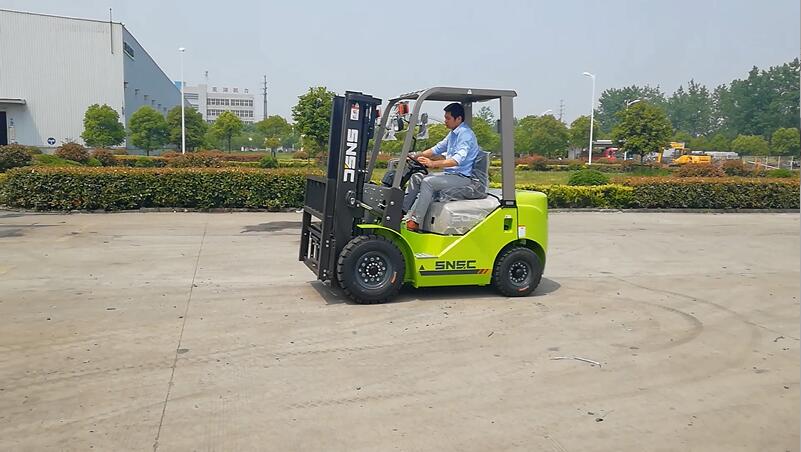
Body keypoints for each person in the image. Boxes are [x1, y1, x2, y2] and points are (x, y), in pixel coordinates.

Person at [403, 102, 480, 232]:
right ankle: (401, 211)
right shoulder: (453, 134)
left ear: (458, 119)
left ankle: (416, 221)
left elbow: (456, 160)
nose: (445, 121)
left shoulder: (465, 135)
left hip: (462, 177)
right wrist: (415, 156)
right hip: (450, 175)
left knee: (428, 182)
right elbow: (436, 149)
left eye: (448, 118)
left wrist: (433, 164)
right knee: (417, 177)